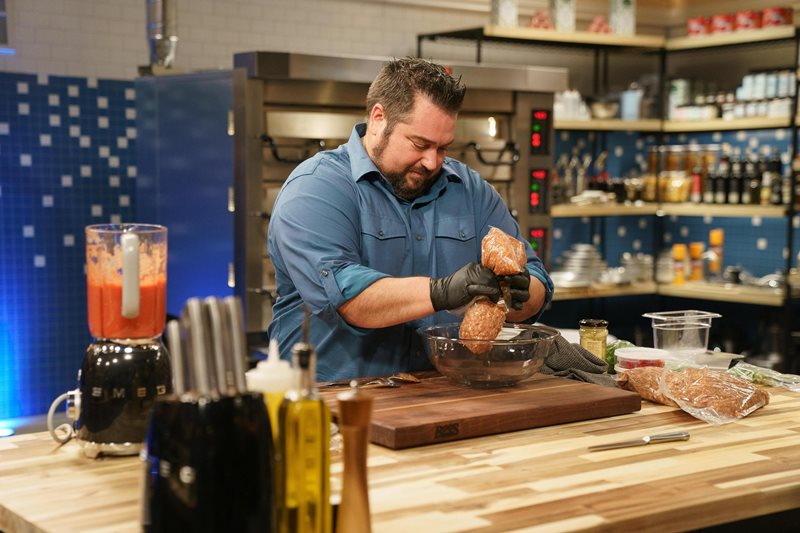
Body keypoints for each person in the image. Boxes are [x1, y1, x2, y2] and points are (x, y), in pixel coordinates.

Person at [267, 57, 553, 380]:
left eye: (443, 148)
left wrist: (521, 293)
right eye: (420, 144)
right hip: (332, 403)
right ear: (378, 119)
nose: (432, 161)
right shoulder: (316, 188)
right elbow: (348, 297)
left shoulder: (470, 191)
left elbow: (538, 278)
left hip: (441, 397)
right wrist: (441, 292)